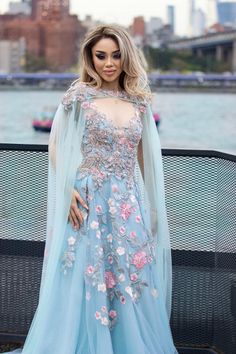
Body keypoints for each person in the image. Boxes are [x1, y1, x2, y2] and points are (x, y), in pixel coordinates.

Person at [4, 24, 178, 354]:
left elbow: (143, 158)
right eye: (101, 56)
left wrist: (151, 207)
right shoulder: (79, 96)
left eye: (115, 55)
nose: (108, 63)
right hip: (87, 197)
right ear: (91, 57)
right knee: (85, 269)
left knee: (128, 271)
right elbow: (56, 145)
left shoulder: (139, 103)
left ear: (126, 57)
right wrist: (67, 188)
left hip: (127, 201)